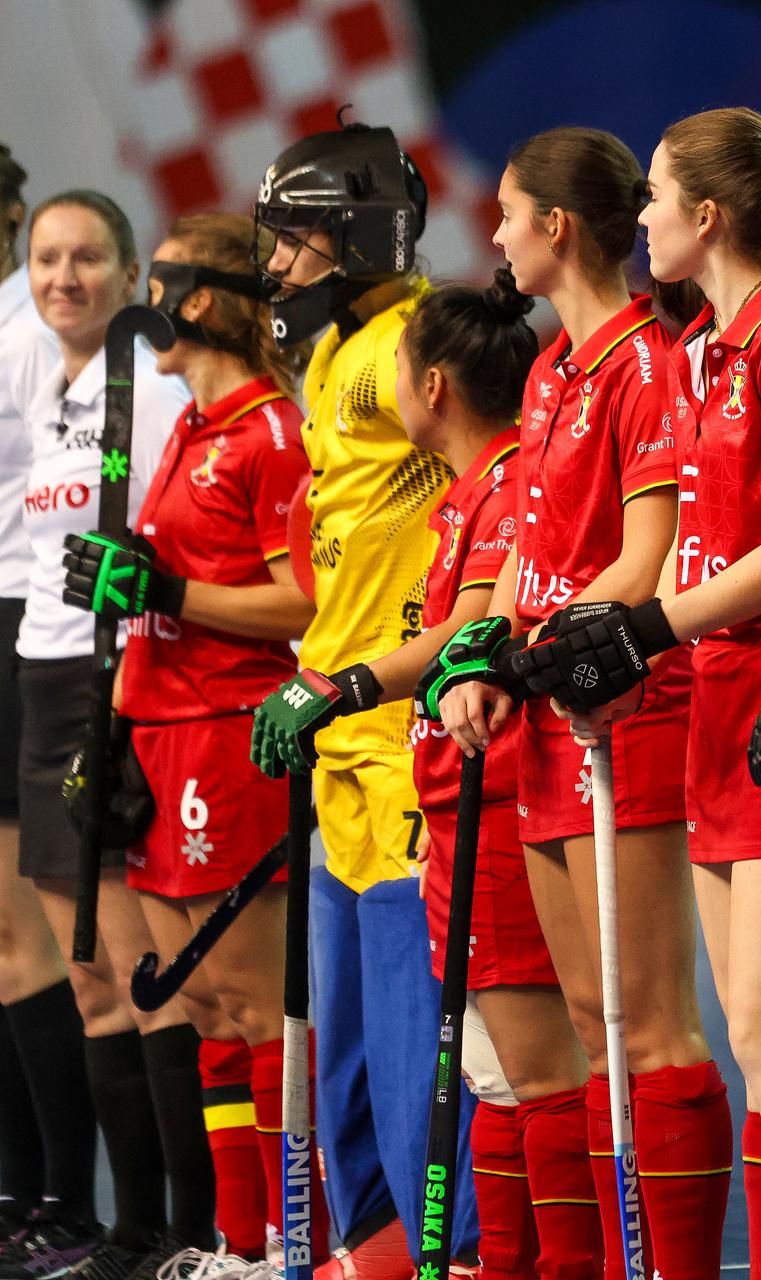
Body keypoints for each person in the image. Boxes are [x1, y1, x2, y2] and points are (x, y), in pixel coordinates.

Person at [511, 107, 761, 1279]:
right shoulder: (709, 347)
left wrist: (646, 624)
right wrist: (617, 642)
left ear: (707, 217)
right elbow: (695, 544)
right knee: (753, 1040)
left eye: (657, 195)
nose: (643, 216)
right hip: (714, 694)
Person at [428, 126, 730, 1280]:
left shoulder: (649, 363)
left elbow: (647, 556)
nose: (496, 234)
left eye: (508, 212)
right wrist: (484, 651)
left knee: (650, 1023)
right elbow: (529, 550)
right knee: (596, 1023)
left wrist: (537, 653)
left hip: (624, 712)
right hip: (549, 714)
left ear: (554, 227)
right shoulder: (553, 366)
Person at [246, 122, 478, 1279]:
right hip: (333, 733)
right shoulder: (335, 351)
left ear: (357, 238)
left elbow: (498, 477)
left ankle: (459, 1250)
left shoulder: (407, 346)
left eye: (295, 240)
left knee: (405, 1036)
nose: (276, 265)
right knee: (339, 1045)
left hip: (397, 737)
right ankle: (373, 1247)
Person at [62, 212, 313, 1275]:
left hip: (226, 736)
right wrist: (110, 732)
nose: (145, 301)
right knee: (200, 1006)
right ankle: (235, 1244)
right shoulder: (191, 427)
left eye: (159, 279)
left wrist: (166, 590)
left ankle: (287, 1245)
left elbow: (302, 602)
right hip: (158, 736)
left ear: (200, 299)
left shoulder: (271, 433)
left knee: (253, 1008)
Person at [386, 278, 598, 1280]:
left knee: (539, 1070)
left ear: (432, 384)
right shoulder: (467, 493)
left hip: (504, 803)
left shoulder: (511, 484)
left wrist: (342, 685)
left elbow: (470, 638)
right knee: (494, 1069)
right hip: (453, 807)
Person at [11, 189, 200, 1278]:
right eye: (46, 259)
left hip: (118, 690)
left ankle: (184, 1229)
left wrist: (125, 698)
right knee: (86, 977)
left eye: (86, 258)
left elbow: (176, 557)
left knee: (144, 973)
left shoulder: (155, 392)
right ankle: (124, 1231)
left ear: (130, 276)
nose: (63, 278)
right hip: (43, 684)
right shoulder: (57, 385)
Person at [0, 143, 99, 1275]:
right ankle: (20, 1189)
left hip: (24, 635)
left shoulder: (34, 332)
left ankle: (63, 1197)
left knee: (27, 938)